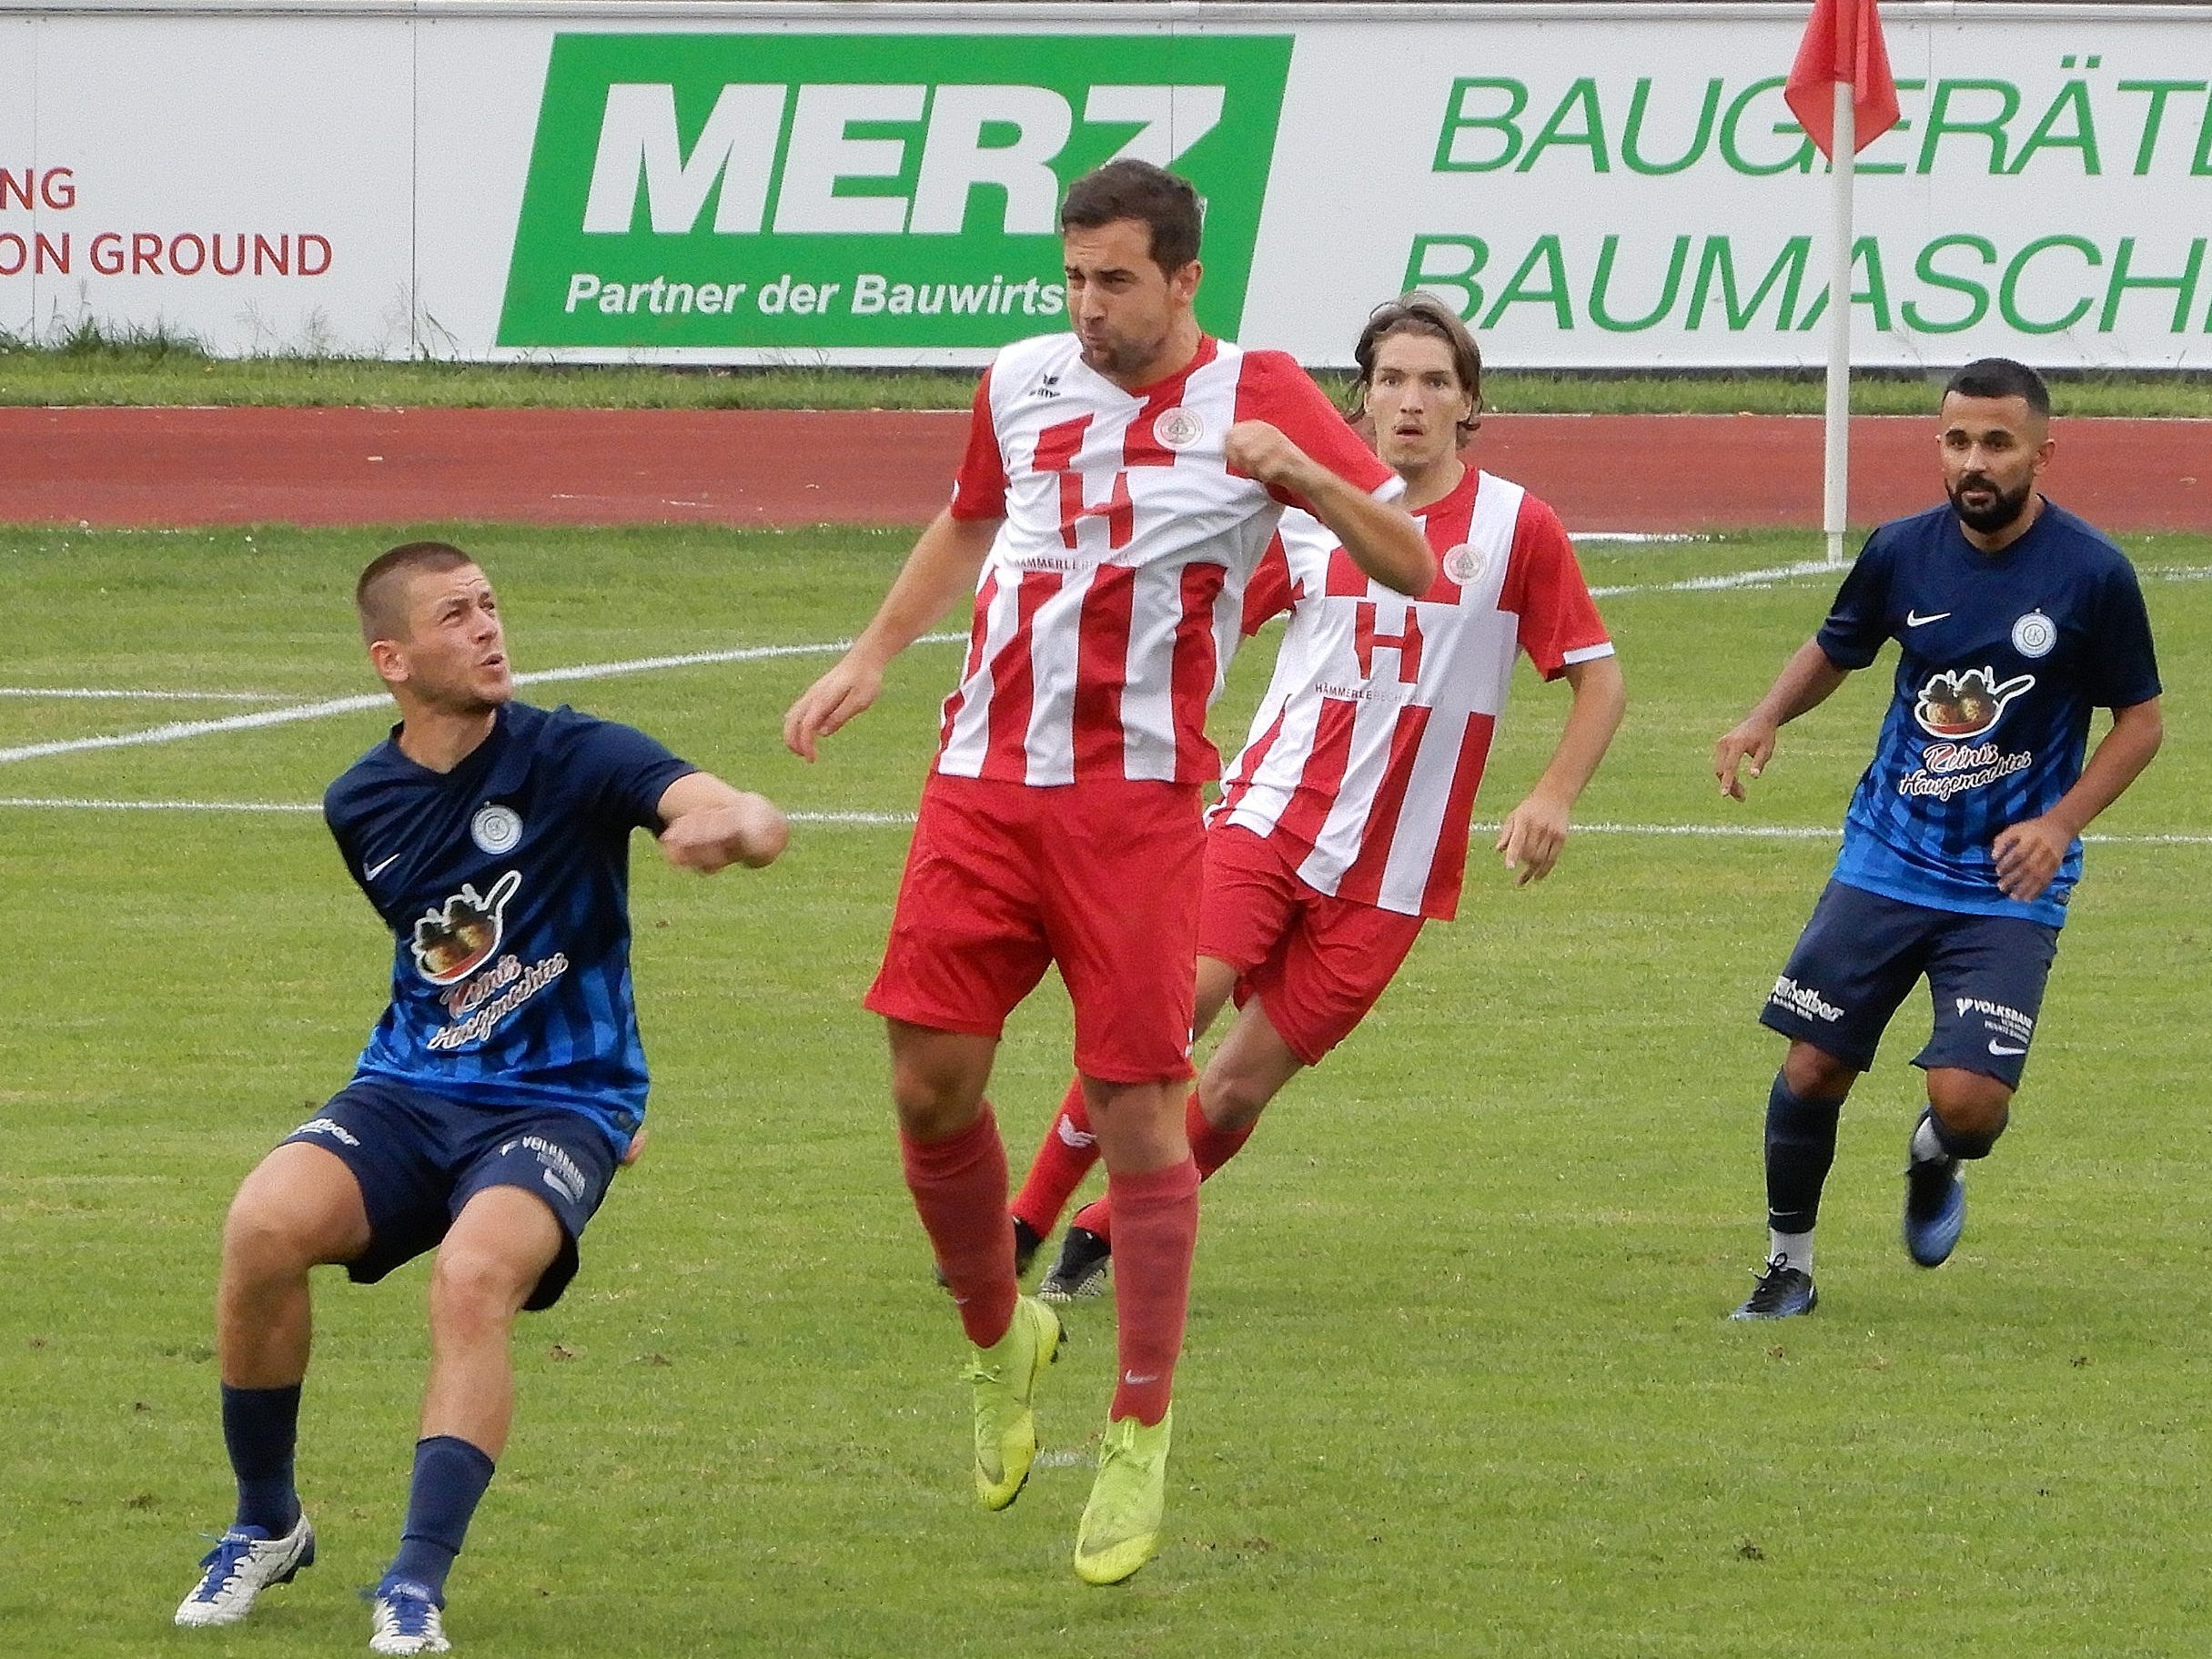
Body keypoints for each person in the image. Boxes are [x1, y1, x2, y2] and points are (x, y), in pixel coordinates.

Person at [782, 160, 1432, 1585]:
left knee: (1139, 1108)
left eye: (1116, 280)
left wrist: (1307, 475)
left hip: (1134, 808)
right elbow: (967, 516)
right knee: (924, 1082)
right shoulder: (1017, 379)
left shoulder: (1257, 389)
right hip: (977, 786)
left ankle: (1138, 1424)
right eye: (1072, 278)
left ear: (1185, 276)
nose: (1087, 307)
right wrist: (873, 652)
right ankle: (997, 1334)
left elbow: (1413, 561)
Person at [174, 541, 788, 1653]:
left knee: (470, 1279)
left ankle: (413, 1582)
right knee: (261, 1223)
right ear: (392, 659)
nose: (489, 628)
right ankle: (267, 1524)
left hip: (561, 1102)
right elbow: (437, 959)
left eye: (492, 606)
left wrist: (737, 823)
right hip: (410, 1087)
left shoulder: (581, 752)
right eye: (456, 615)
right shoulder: (361, 802)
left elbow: (724, 804)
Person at [1008, 293, 1626, 1299]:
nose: (1410, 400)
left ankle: (1097, 1234)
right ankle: (1026, 1214)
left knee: (1237, 1086)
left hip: (1395, 870)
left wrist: (1552, 793)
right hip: (1268, 815)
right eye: (1390, 380)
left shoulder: (1518, 527)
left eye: (1434, 381)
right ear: (1361, 399)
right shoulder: (1310, 515)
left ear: (1470, 403)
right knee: (1170, 1014)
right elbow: (1208, 633)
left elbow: (1599, 677)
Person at [1714, 359, 2162, 1320]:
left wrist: (2057, 822)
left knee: (1970, 1105)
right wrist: (1764, 718)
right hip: (1887, 853)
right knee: (1811, 1065)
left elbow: (2141, 721)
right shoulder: (1900, 551)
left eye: (1996, 442)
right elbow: (1839, 644)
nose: (1974, 461)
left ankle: (1932, 1154)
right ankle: (1787, 1264)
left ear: (2043, 451)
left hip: (2007, 879)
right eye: (1957, 440)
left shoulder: (2092, 573)